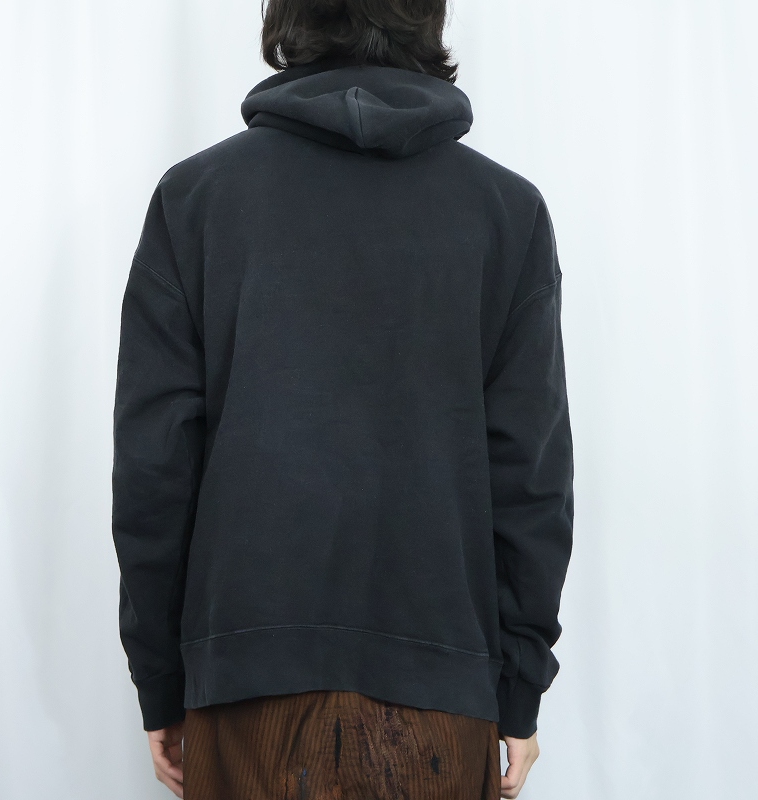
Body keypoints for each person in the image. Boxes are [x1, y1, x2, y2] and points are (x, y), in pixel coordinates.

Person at [111, 1, 574, 798]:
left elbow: (154, 470)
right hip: (439, 702)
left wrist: (161, 680)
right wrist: (518, 692)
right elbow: (530, 481)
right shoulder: (507, 212)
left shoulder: (197, 198)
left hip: (246, 694)